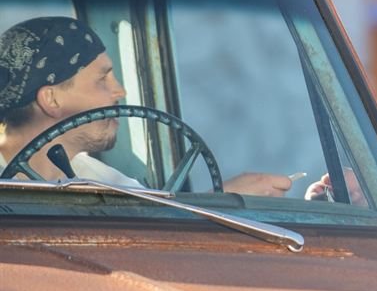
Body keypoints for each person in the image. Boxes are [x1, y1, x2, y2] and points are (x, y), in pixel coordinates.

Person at [0, 16, 292, 197]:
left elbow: (163, 222)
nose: (121, 90)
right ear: (52, 99)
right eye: (103, 79)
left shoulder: (100, 180)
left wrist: (226, 200)